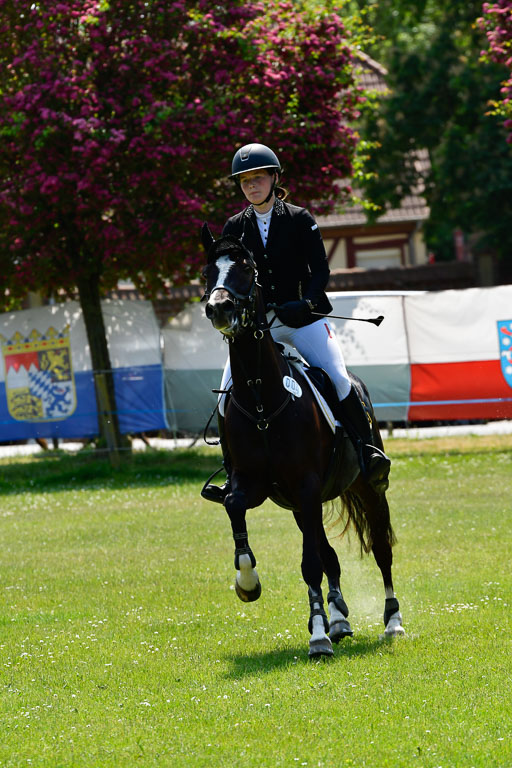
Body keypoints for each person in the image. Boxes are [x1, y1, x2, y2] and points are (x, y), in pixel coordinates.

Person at [201, 142, 390, 503]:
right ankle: (232, 472)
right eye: (245, 181)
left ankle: (368, 454)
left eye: (258, 178)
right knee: (227, 394)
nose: (251, 186)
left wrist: (305, 303)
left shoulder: (300, 219)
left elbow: (320, 271)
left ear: (274, 178)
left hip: (303, 320)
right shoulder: (234, 227)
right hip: (258, 326)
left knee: (337, 377)